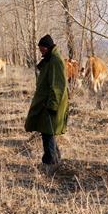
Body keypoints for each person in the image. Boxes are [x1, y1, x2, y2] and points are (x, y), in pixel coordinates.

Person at [25, 34, 68, 168]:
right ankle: (55, 159)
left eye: (42, 48)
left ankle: (50, 163)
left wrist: (52, 105)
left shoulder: (55, 61)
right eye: (40, 49)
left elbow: (58, 86)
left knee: (48, 131)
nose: (40, 51)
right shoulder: (51, 59)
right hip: (47, 102)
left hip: (51, 103)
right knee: (47, 131)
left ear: (48, 47)